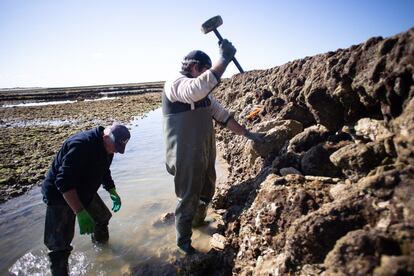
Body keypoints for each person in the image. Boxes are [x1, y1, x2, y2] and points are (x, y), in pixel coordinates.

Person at [162, 39, 264, 255]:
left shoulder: (205, 97)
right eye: (205, 71)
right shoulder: (176, 83)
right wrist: (224, 59)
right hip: (183, 154)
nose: (208, 77)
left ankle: (198, 224)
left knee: (207, 190)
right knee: (188, 197)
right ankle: (184, 244)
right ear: (194, 67)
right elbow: (196, 90)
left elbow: (224, 117)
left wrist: (248, 134)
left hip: (204, 152)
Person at [41, 122, 131, 275]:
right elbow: (63, 182)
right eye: (114, 147)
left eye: (118, 149)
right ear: (106, 136)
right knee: (59, 246)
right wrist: (80, 212)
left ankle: (102, 253)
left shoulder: (107, 147)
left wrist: (111, 189)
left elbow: (104, 169)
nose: (115, 152)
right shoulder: (81, 145)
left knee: (102, 218)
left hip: (84, 189)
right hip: (60, 195)